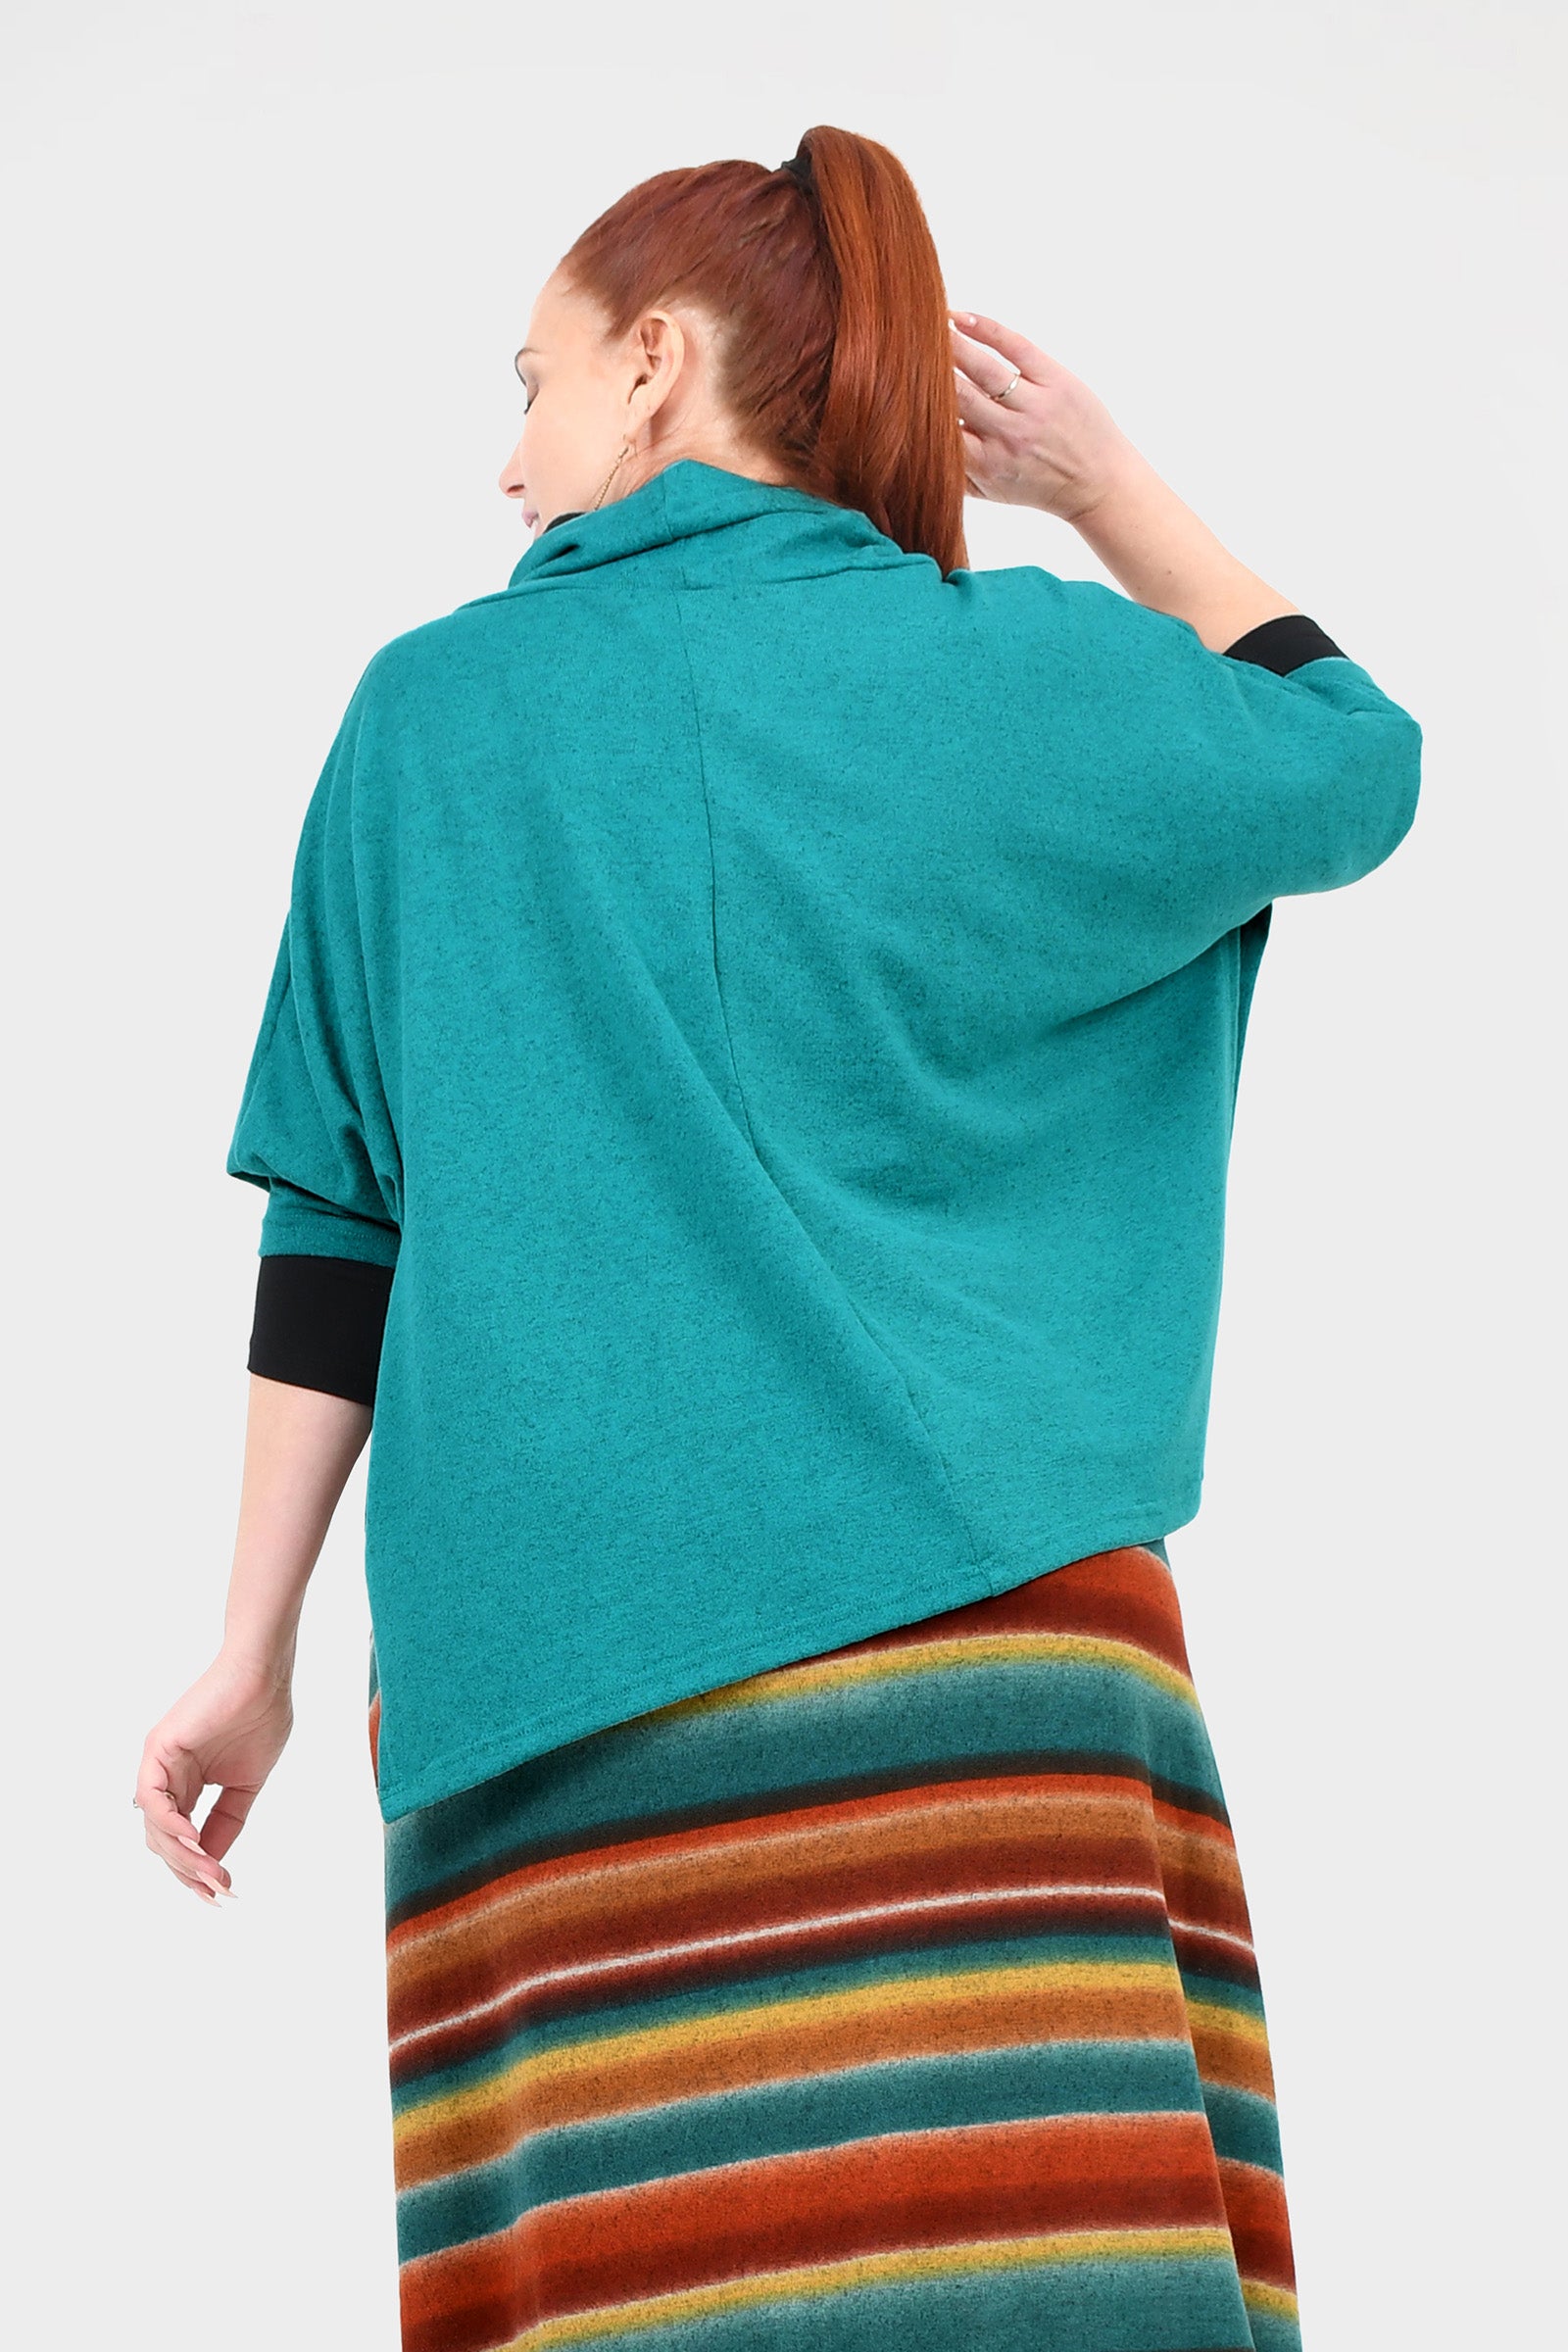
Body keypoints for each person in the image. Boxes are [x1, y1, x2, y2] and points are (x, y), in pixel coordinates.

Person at [136, 123, 1420, 2352]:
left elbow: (342, 1223)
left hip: (562, 1685)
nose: (507, 459)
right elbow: (1346, 756)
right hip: (998, 1668)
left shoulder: (433, 714)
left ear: (650, 365)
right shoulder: (1022, 667)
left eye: (529, 383)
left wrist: (249, 1650)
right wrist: (1104, 488)